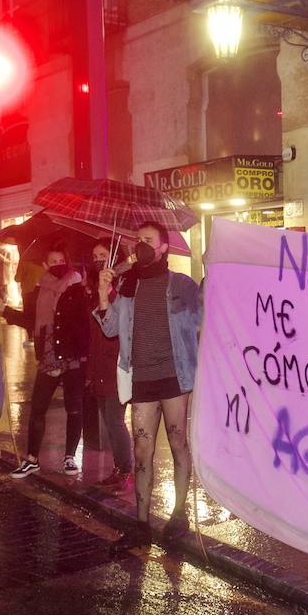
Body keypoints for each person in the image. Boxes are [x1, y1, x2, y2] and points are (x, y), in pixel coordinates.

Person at [96, 221, 202, 549]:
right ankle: (141, 524)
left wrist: (214, 277)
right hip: (141, 379)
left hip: (173, 377)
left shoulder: (182, 285)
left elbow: (204, 316)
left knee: (178, 444)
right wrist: (103, 293)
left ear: (163, 248)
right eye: (138, 239)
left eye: (148, 240)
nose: (141, 244)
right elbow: (111, 329)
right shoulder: (128, 286)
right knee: (143, 450)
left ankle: (179, 513)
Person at [9, 246, 81, 478]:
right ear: (46, 265)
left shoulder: (77, 286)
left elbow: (83, 325)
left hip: (72, 357)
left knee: (74, 409)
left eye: (62, 259)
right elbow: (30, 320)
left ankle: (69, 457)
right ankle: (32, 459)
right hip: (48, 356)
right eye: (53, 260)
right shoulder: (39, 290)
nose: (58, 263)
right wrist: (4, 312)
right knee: (38, 408)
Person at [88, 241, 134, 491]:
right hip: (98, 365)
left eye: (103, 255)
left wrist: (108, 292)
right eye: (95, 255)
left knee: (115, 420)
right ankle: (119, 467)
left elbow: (120, 322)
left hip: (117, 363)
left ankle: (126, 469)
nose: (98, 260)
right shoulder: (93, 286)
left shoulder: (124, 285)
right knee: (108, 420)